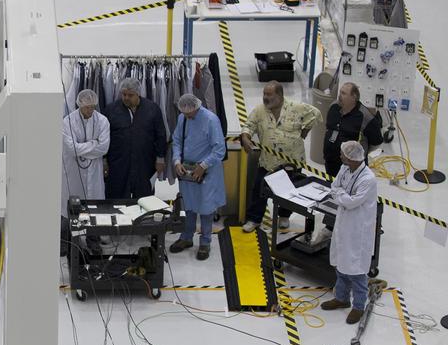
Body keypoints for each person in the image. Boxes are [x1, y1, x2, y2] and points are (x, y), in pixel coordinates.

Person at [239, 81, 321, 232]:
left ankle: (284, 216)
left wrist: (305, 130)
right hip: (268, 162)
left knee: (288, 192)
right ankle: (254, 219)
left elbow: (315, 113)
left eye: (269, 94)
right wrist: (245, 137)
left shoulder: (297, 108)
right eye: (264, 94)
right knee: (259, 189)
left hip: (291, 161)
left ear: (280, 95)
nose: (265, 97)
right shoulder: (259, 111)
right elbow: (248, 126)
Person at [321, 140, 378, 325]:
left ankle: (358, 306)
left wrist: (340, 197)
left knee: (356, 270)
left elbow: (353, 201)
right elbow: (335, 186)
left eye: (343, 154)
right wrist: (342, 197)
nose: (340, 156)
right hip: (344, 222)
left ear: (352, 157)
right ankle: (342, 298)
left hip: (358, 228)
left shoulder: (368, 178)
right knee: (341, 263)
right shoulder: (345, 168)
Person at [169, 94, 226, 261]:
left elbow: (219, 150)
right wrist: (177, 160)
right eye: (185, 114)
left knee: (206, 208)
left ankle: (205, 242)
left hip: (207, 171)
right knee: (189, 205)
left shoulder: (210, 120)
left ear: (196, 108)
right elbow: (177, 140)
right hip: (187, 171)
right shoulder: (182, 118)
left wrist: (203, 165)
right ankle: (186, 238)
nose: (188, 117)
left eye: (190, 114)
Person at [104, 77, 168, 199]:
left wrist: (160, 158)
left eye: (130, 95)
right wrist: (104, 160)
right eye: (123, 94)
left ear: (138, 94)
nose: (126, 98)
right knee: (116, 194)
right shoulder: (111, 110)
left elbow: (160, 134)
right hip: (118, 162)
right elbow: (104, 137)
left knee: (144, 196)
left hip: (144, 161)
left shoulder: (152, 109)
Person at [323, 82, 383, 178]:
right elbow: (328, 128)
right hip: (330, 163)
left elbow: (376, 142)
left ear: (354, 97)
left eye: (343, 93)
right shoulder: (333, 107)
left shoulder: (365, 117)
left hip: (352, 170)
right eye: (340, 92)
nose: (339, 96)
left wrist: (361, 151)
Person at [61, 89, 110, 202]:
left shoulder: (102, 121)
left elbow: (104, 148)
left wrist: (80, 147)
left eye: (92, 107)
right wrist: (94, 143)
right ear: (79, 105)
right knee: (73, 204)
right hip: (74, 170)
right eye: (87, 107)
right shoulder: (68, 121)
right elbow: (72, 149)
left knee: (95, 204)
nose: (90, 110)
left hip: (94, 171)